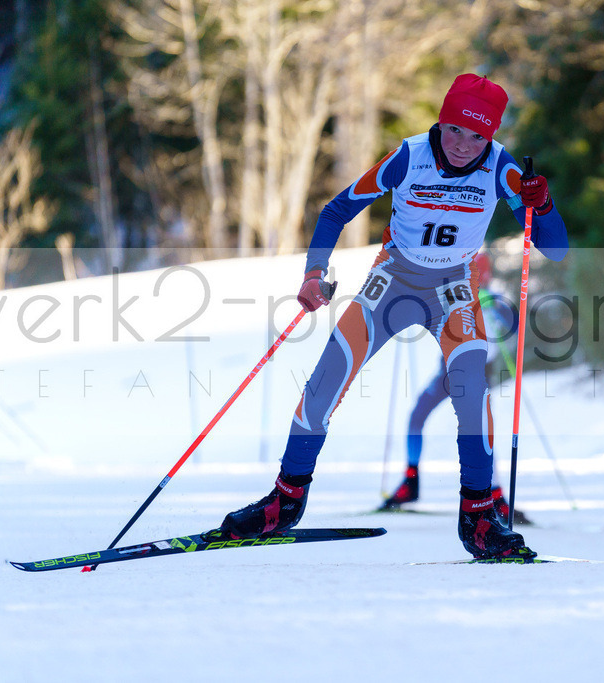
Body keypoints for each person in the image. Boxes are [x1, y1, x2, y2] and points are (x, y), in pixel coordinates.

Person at [216, 74, 568, 559]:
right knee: (325, 382)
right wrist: (314, 272)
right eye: (455, 130)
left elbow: (556, 248)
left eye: (476, 136)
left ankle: (480, 519)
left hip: (453, 288)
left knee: (471, 392)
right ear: (441, 122)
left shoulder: (501, 167)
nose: (463, 145)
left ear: (490, 137)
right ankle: (284, 501)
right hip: (393, 282)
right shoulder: (409, 155)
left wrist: (541, 203)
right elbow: (335, 211)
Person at [380, 251, 532, 525]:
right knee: (419, 417)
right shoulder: (453, 292)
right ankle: (411, 482)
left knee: (480, 430)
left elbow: (515, 326)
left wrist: (498, 310)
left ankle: (496, 496)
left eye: (481, 273)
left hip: (476, 374)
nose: (479, 278)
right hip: (448, 371)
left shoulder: (491, 299)